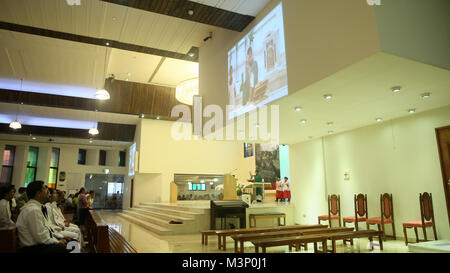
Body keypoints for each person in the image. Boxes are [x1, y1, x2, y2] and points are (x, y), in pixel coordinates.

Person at [15, 181, 71, 253]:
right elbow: (40, 237)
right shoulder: (33, 210)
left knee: (71, 242)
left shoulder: (37, 208)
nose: (48, 190)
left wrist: (59, 238)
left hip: (39, 244)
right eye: (45, 188)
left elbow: (46, 230)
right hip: (32, 248)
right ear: (38, 193)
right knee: (72, 245)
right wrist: (57, 242)